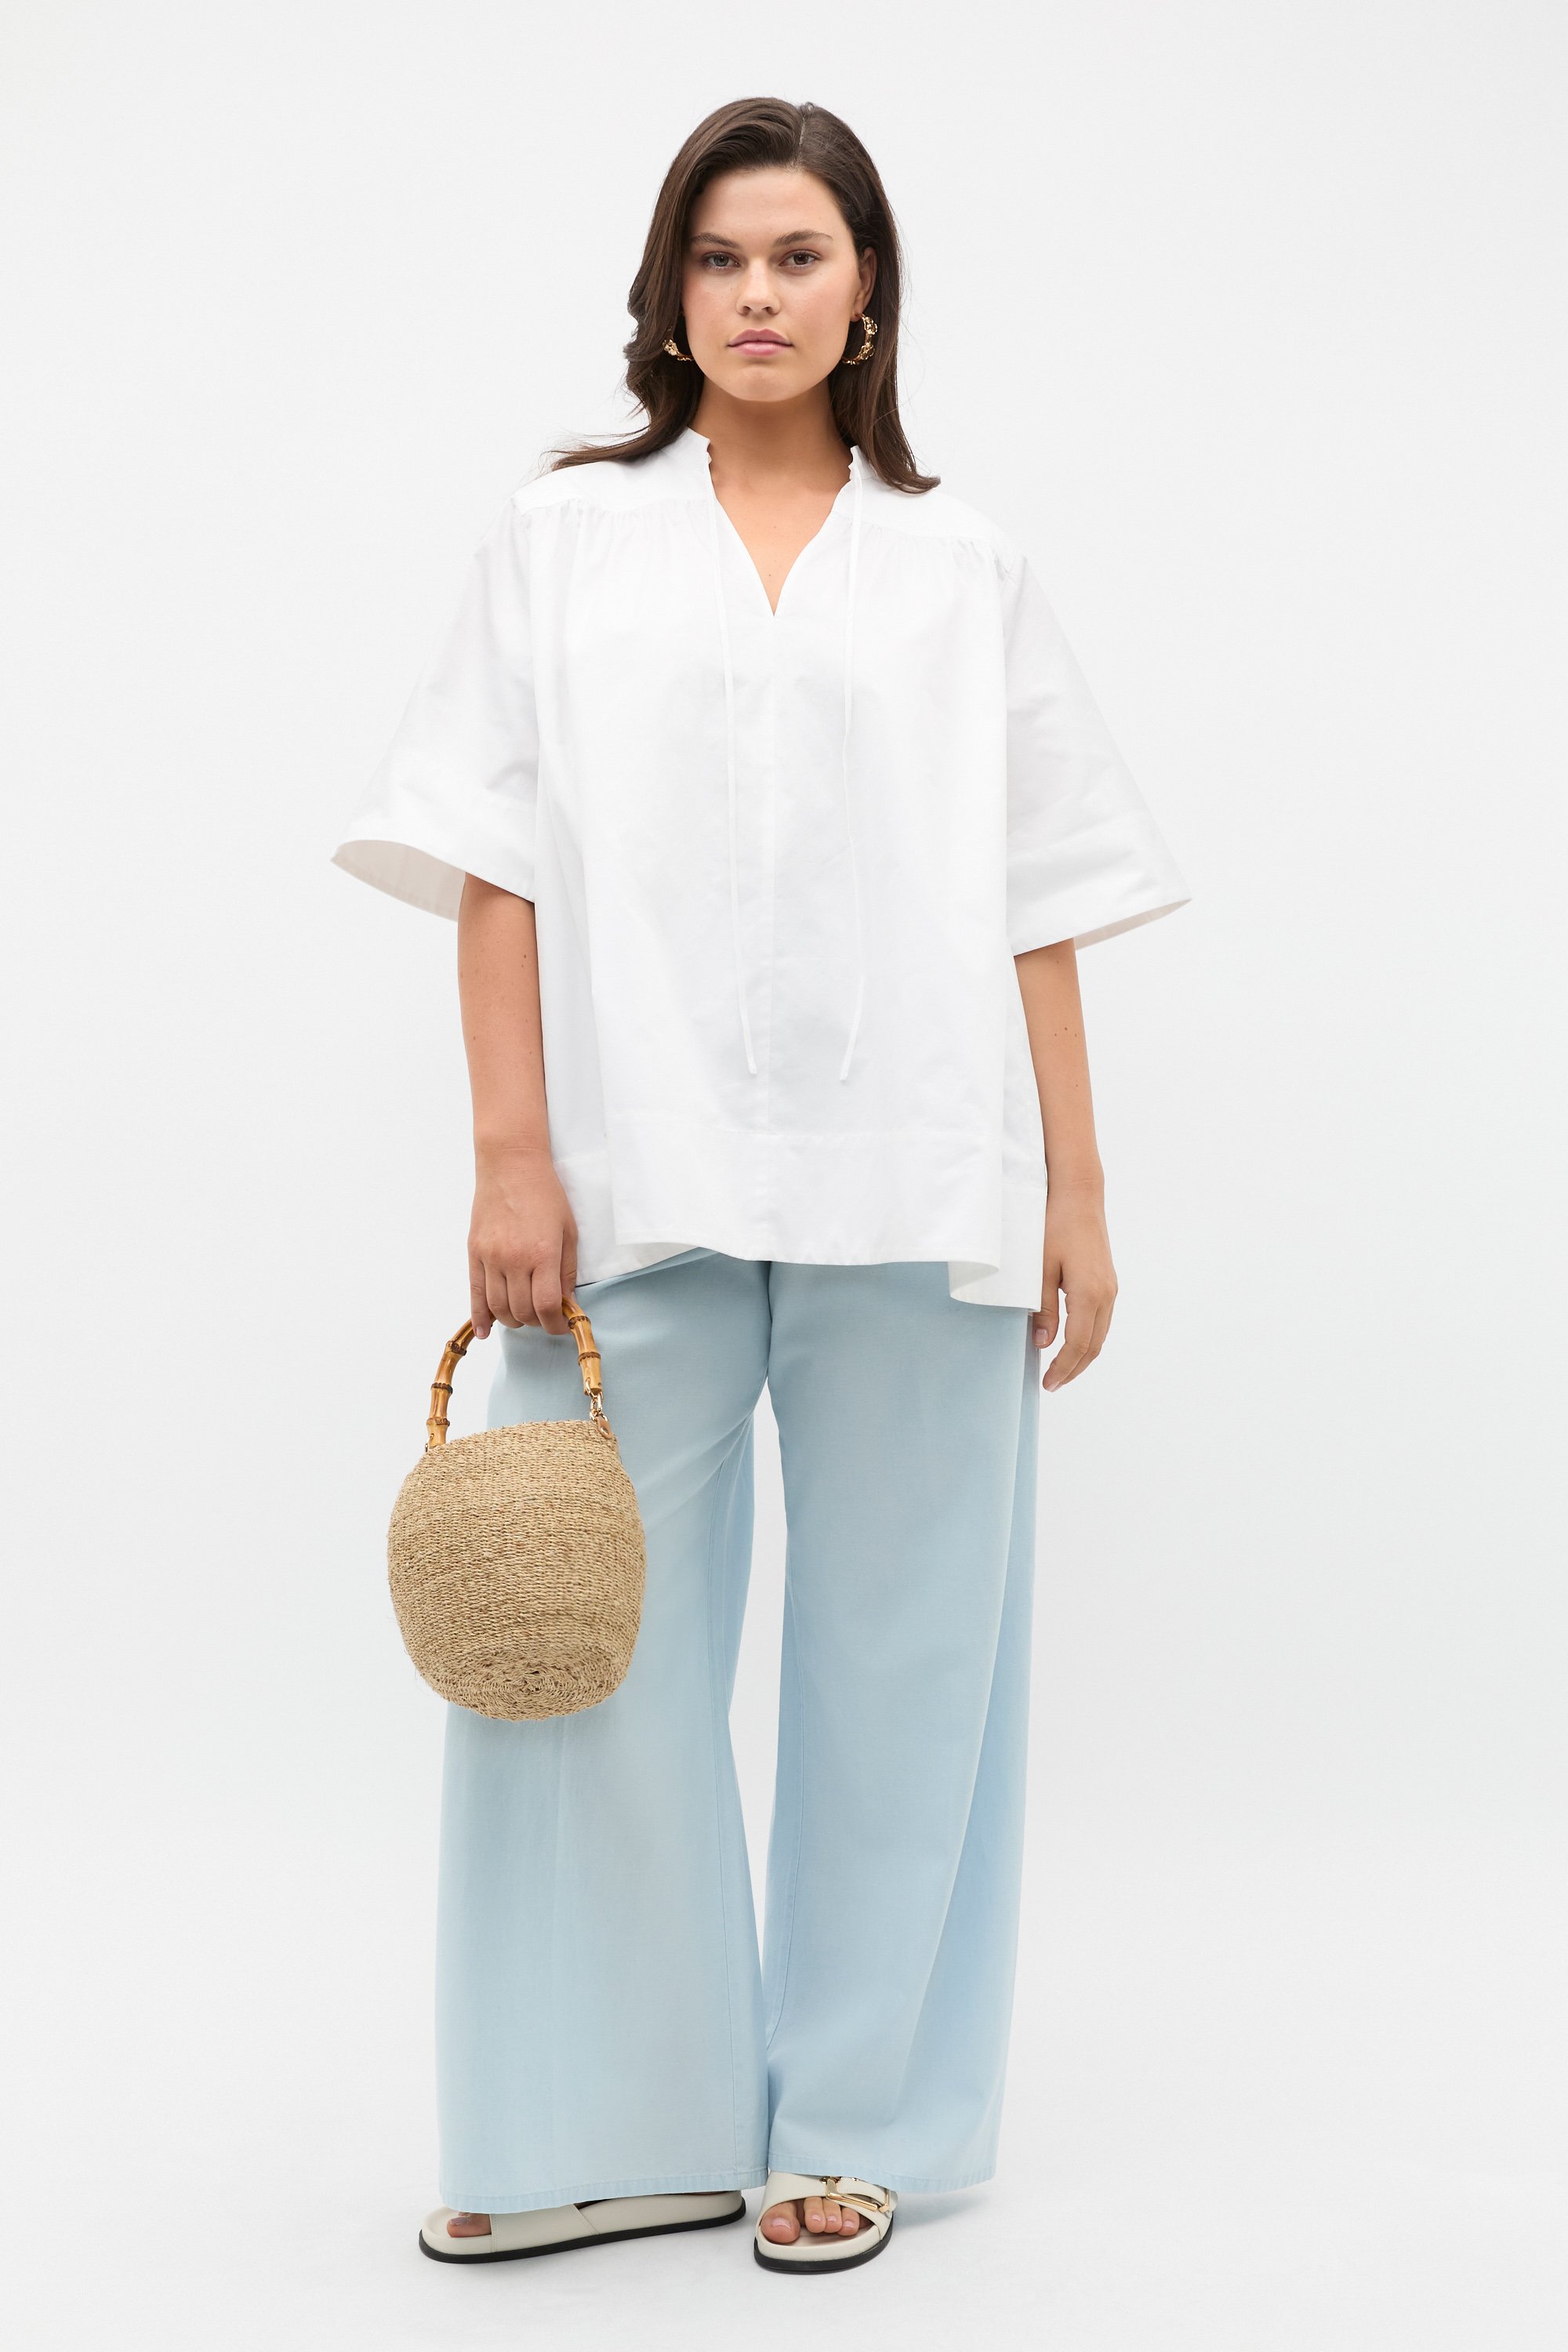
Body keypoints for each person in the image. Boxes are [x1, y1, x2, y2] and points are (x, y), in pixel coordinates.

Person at [332, 94, 1189, 2278]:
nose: (757, 295)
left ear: (867, 287)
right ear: (668, 292)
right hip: (636, 1186)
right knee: (580, 1645)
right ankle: (602, 2126)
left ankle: (853, 2120)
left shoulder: (960, 565)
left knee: (911, 1667)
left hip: (923, 1173)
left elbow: (1041, 898)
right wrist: (510, 1157)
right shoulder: (565, 537)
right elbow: (493, 862)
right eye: (718, 258)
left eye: (799, 255)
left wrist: (1081, 1189)